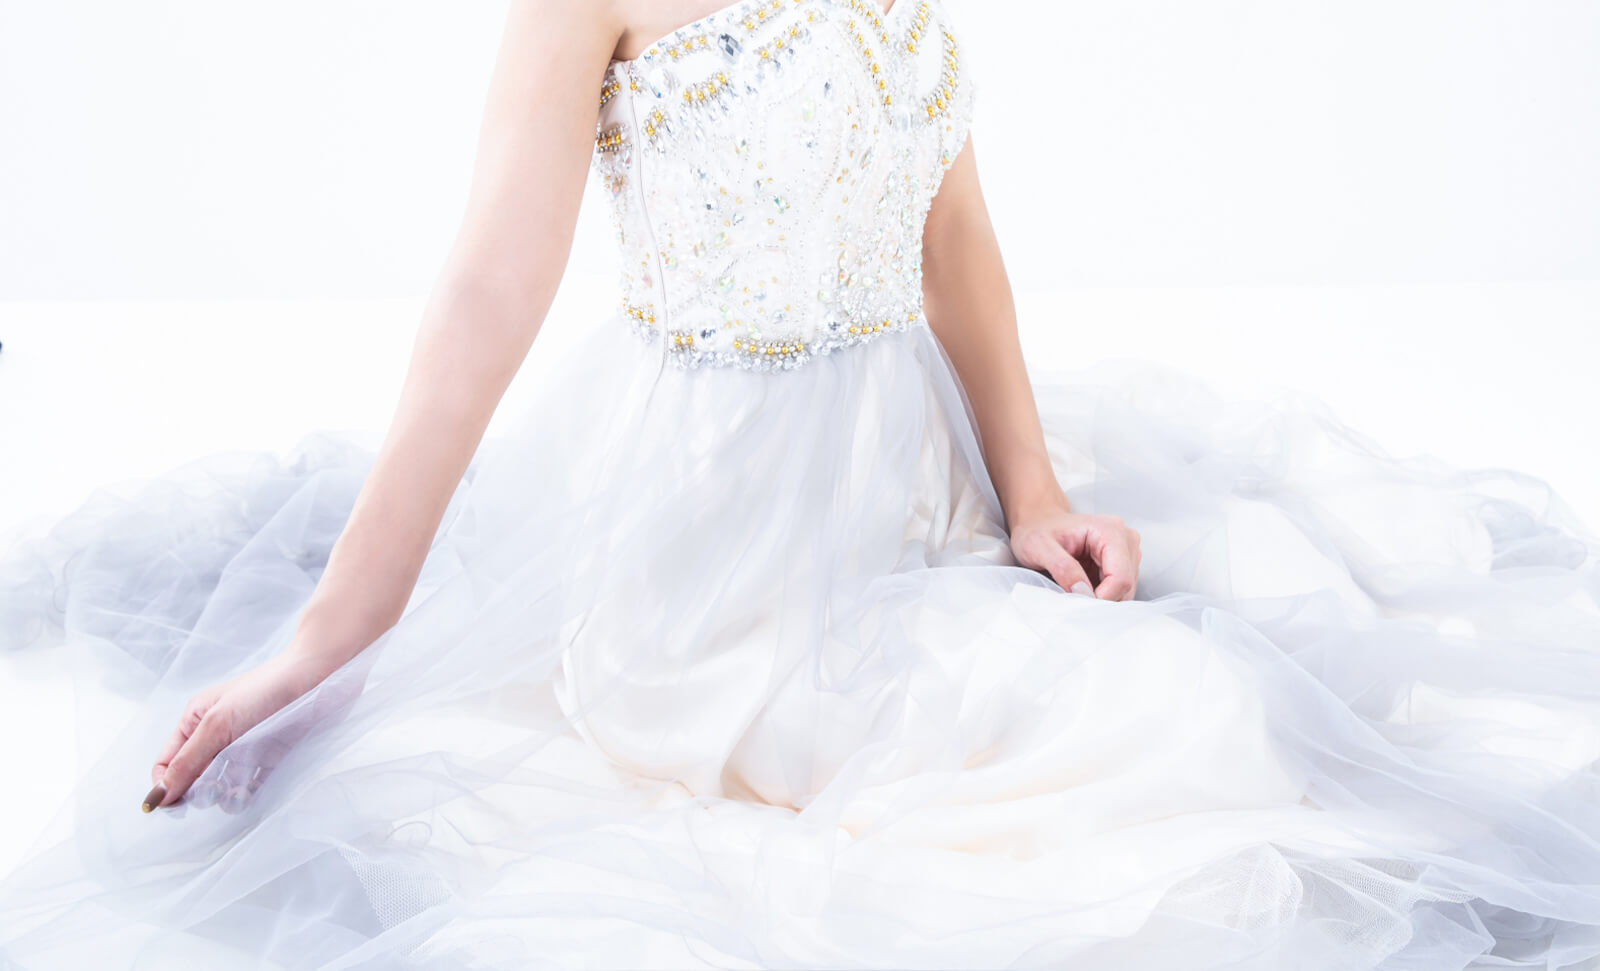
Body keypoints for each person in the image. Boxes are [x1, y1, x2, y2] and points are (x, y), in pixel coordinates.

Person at [2, 0, 1598, 967]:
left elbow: (950, 233)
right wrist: (331, 633)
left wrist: (1031, 493)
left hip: (914, 480)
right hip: (723, 565)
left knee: (1244, 638)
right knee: (1167, 731)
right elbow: (488, 293)